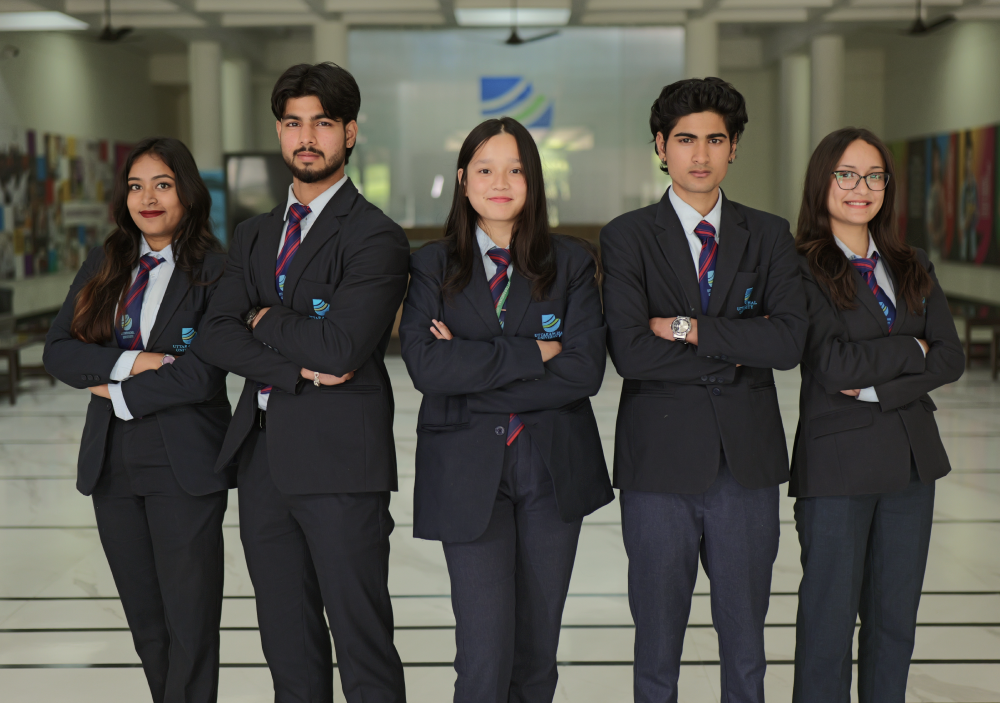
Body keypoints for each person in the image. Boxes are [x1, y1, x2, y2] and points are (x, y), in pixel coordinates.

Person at [194, 62, 409, 703]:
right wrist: (292, 363)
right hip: (261, 461)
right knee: (285, 642)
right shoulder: (255, 234)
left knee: (361, 640)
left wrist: (263, 317)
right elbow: (215, 333)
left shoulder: (376, 236)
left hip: (342, 464)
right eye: (293, 123)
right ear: (280, 132)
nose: (306, 136)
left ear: (350, 133)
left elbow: (342, 346)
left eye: (322, 123)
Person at [600, 77, 808, 703]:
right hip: (658, 467)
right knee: (656, 644)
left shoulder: (768, 234)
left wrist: (689, 329)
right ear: (661, 146)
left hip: (746, 467)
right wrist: (738, 347)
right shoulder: (628, 235)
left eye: (715, 139)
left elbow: (790, 344)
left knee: (745, 644)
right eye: (685, 139)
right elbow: (632, 351)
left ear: (734, 147)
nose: (700, 154)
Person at [399, 116, 613, 703]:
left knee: (538, 652)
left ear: (534, 180)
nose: (501, 182)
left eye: (515, 169)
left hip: (551, 469)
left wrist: (469, 365)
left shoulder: (571, 263)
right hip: (466, 472)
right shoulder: (430, 265)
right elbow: (425, 368)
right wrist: (534, 354)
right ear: (463, 180)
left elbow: (584, 372)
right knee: (483, 654)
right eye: (486, 170)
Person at [43, 137, 233, 703]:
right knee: (147, 625)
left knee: (190, 626)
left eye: (163, 184)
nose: (147, 198)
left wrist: (114, 392)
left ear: (188, 194)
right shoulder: (107, 263)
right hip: (113, 465)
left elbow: (202, 374)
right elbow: (58, 351)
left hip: (184, 465)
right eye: (135, 186)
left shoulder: (216, 271)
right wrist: (135, 362)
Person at [790, 127, 965, 703]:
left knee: (894, 624)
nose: (860, 188)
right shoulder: (801, 268)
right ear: (823, 182)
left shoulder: (912, 263)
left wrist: (881, 389)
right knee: (828, 625)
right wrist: (909, 350)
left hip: (912, 467)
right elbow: (834, 365)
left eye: (873, 176)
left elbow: (951, 356)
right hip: (837, 469)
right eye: (846, 175)